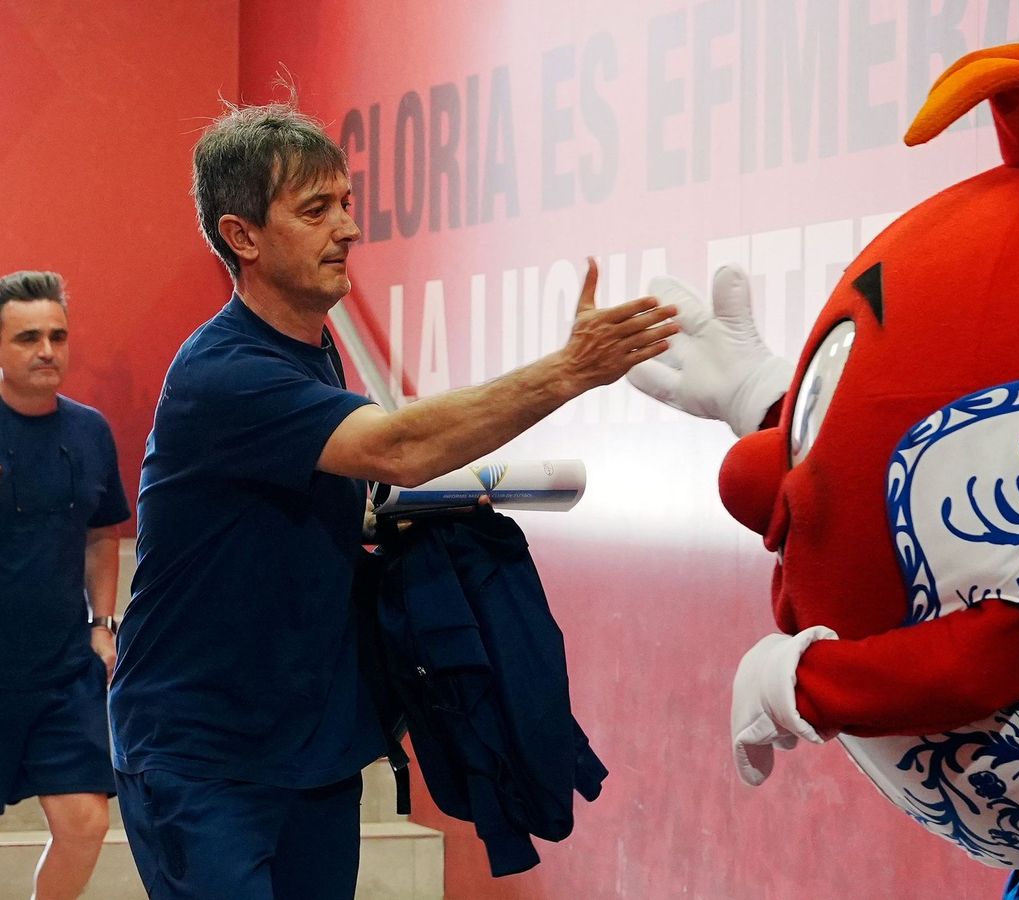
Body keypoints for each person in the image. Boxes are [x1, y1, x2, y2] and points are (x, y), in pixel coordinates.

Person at [107, 99, 678, 900]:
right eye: (315, 210)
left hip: (312, 749)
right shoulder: (223, 374)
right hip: (203, 758)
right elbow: (400, 447)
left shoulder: (317, 348)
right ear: (243, 237)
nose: (347, 227)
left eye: (345, 203)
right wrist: (569, 371)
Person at [0, 270, 130, 900]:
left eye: (56, 335)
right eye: (27, 337)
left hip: (61, 667)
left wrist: (102, 625)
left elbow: (103, 534)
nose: (46, 350)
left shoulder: (89, 431)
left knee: (85, 822)